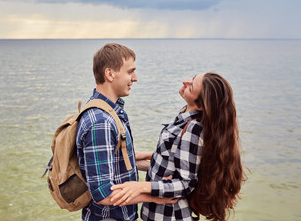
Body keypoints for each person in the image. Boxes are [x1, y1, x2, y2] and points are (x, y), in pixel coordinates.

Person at [111, 72, 246, 221]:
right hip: (158, 214)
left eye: (191, 87)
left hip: (171, 216)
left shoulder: (194, 128)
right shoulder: (183, 118)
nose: (185, 82)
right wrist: (139, 156)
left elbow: (185, 183)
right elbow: (168, 164)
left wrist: (140, 187)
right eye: (192, 78)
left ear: (200, 105)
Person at [76, 43, 176, 221]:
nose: (135, 78)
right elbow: (103, 193)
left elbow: (118, 158)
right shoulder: (101, 122)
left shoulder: (112, 111)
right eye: (130, 72)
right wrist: (155, 196)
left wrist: (158, 161)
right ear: (110, 74)